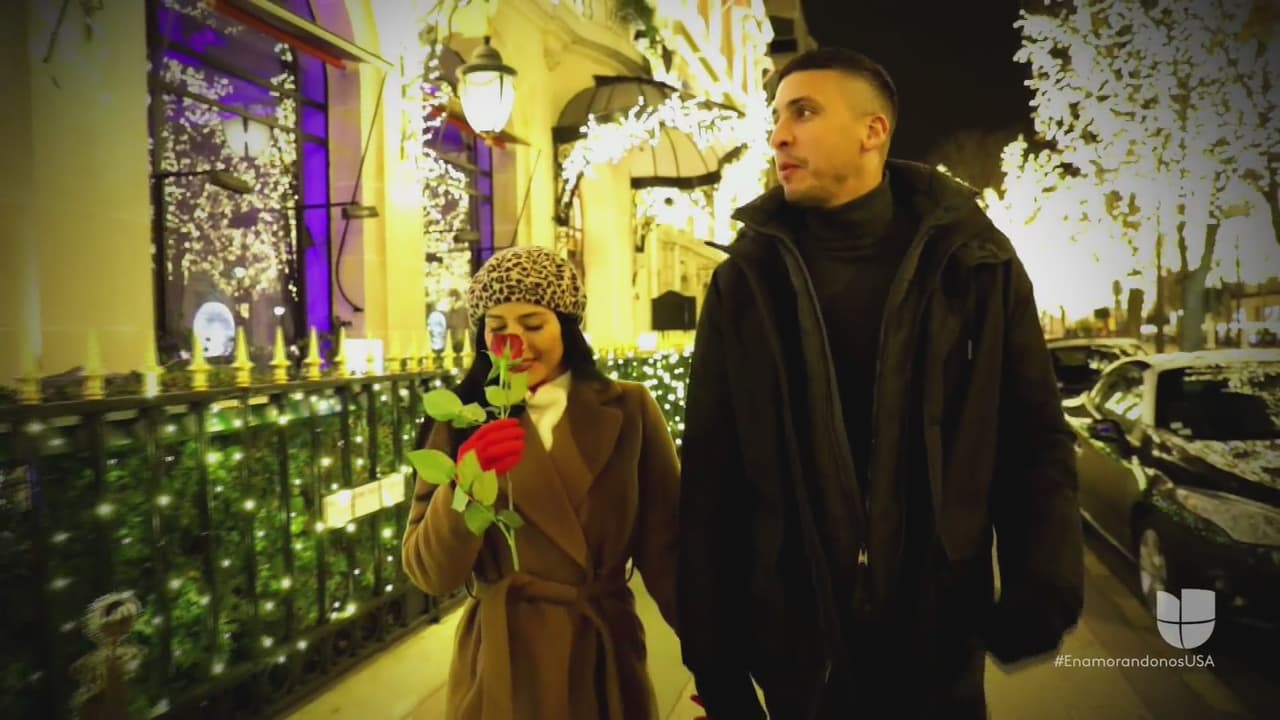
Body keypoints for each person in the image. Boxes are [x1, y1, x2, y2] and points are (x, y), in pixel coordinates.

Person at [677, 48, 1084, 718]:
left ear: (873, 131)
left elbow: (1033, 438)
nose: (778, 135)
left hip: (937, 640)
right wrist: (712, 657)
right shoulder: (746, 282)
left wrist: (1043, 585)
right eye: (777, 116)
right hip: (796, 647)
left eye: (804, 112)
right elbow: (710, 477)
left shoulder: (973, 266)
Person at [402, 246, 681, 720]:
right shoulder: (462, 420)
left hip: (601, 662)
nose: (515, 344)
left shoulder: (628, 409)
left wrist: (717, 665)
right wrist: (464, 484)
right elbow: (431, 573)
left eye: (533, 325)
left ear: (566, 327)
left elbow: (668, 551)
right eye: (497, 327)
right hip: (504, 668)